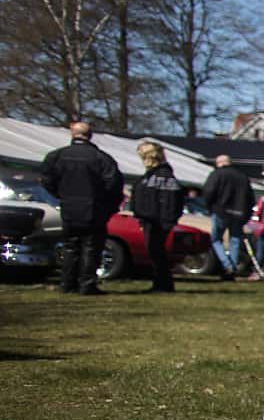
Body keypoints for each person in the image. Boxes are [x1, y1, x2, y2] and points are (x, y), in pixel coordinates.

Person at [39, 121, 123, 295]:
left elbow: (47, 180)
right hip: (94, 208)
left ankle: (67, 284)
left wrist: (61, 195)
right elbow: (114, 184)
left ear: (72, 134)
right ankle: (87, 284)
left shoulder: (56, 156)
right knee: (91, 247)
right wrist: (107, 205)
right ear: (90, 135)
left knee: (71, 246)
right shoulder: (102, 159)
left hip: (69, 207)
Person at [129, 141, 185, 293]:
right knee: (158, 252)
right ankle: (163, 282)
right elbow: (177, 201)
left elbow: (142, 199)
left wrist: (140, 215)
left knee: (156, 252)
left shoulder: (150, 179)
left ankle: (163, 283)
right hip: (164, 220)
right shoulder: (170, 178)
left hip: (153, 220)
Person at [200, 155, 254, 280]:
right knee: (234, 241)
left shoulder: (217, 174)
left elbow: (208, 191)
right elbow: (249, 197)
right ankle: (232, 267)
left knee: (215, 239)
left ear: (219, 163)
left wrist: (209, 207)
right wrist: (246, 214)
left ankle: (227, 265)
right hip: (239, 213)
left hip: (221, 211)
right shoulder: (242, 176)